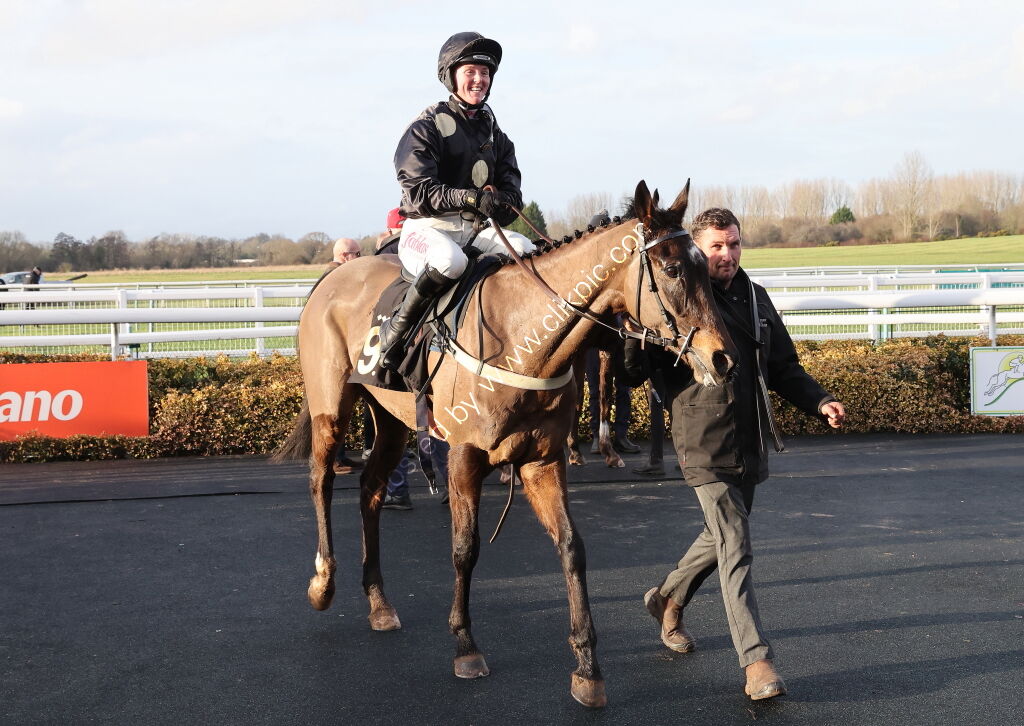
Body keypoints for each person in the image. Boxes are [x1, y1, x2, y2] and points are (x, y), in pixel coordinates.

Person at [629, 208, 846, 701]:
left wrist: (819, 400)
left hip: (750, 440)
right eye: (716, 246)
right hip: (702, 442)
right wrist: (627, 333)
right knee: (736, 543)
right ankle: (756, 661)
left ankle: (667, 598)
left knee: (721, 536)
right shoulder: (677, 300)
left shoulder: (756, 298)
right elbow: (632, 374)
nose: (726, 254)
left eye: (733, 244)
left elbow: (785, 367)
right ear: (695, 250)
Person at [378, 31, 535, 371]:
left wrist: (498, 203)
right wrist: (470, 197)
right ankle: (395, 333)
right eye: (471, 72)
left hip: (476, 231)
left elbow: (513, 199)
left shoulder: (498, 136)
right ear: (452, 76)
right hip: (428, 229)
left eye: (485, 73)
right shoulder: (426, 126)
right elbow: (418, 191)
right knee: (451, 261)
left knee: (527, 253)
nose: (479, 79)